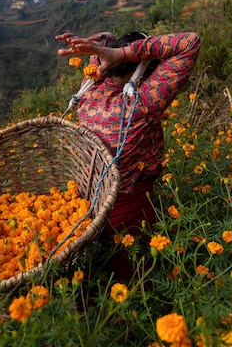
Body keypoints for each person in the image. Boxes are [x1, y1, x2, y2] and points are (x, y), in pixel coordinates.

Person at [55, 30, 201, 280]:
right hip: (128, 202)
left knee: (99, 259)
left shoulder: (90, 88)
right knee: (132, 267)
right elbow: (190, 42)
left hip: (90, 194)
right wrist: (122, 52)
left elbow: (101, 40)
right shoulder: (139, 105)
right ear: (143, 73)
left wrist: (107, 45)